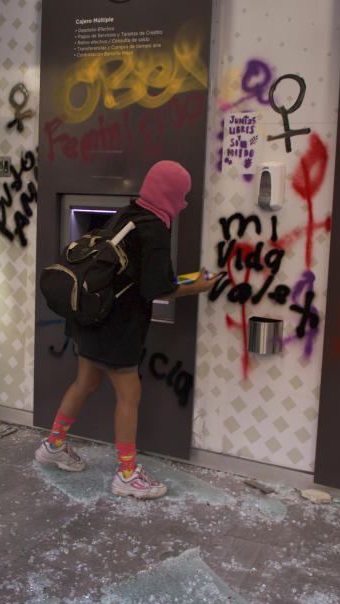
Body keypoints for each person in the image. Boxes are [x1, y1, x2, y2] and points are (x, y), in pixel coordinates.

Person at [34, 160, 216, 499]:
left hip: (89, 316)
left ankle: (53, 445)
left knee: (85, 382)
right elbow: (157, 289)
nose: (185, 202)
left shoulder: (127, 213)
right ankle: (127, 474)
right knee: (129, 396)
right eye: (183, 194)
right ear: (170, 193)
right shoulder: (156, 231)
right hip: (119, 326)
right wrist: (197, 287)